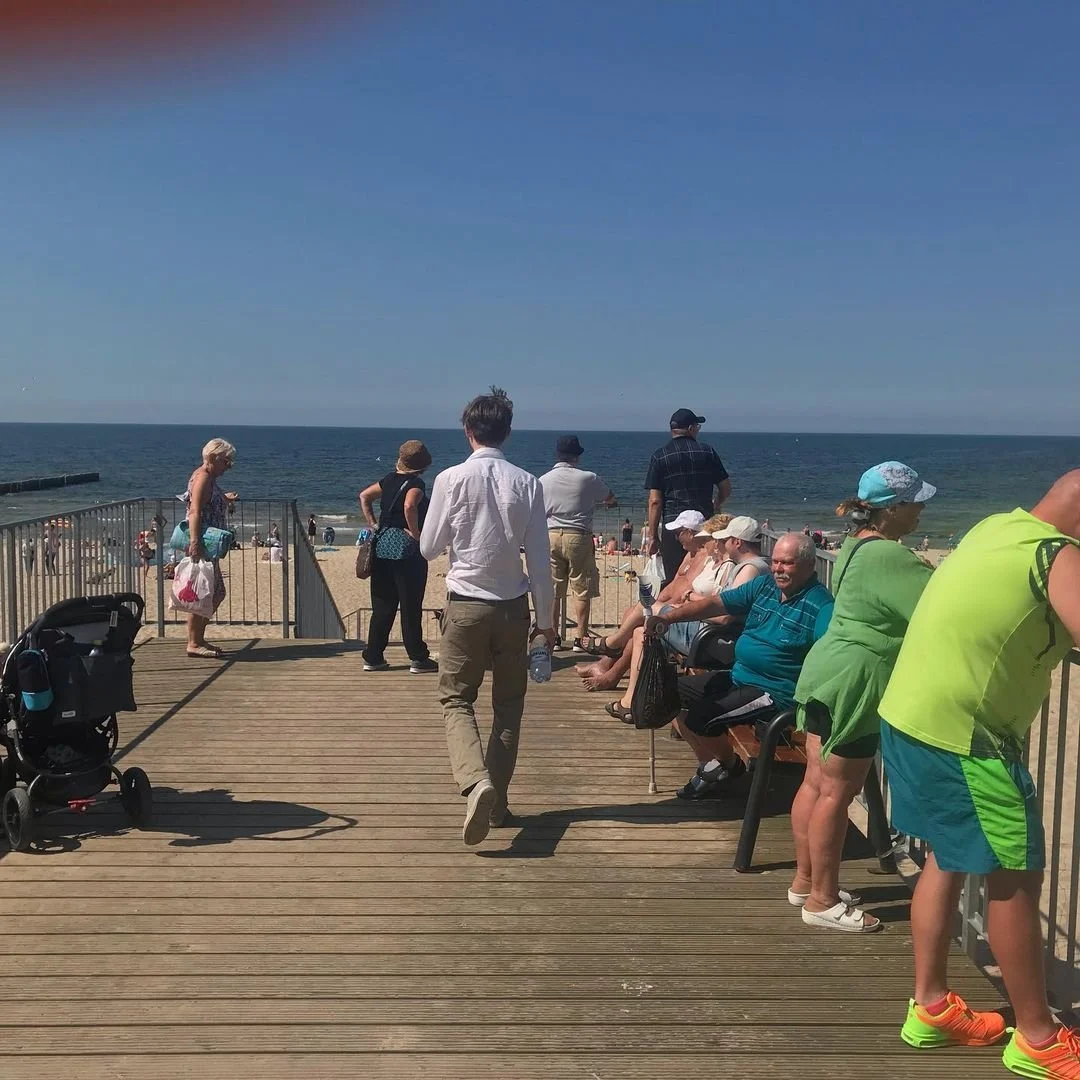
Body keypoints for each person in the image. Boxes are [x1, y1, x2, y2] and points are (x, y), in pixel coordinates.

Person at [877, 472, 1080, 1071]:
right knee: (1013, 873)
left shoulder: (997, 527)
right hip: (967, 740)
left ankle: (931, 1006)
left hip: (910, 716)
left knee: (948, 852)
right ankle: (1038, 1040)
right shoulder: (1055, 554)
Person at [788, 462, 936, 934]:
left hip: (826, 670)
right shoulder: (892, 557)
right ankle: (823, 900)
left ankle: (805, 882)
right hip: (856, 678)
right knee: (837, 790)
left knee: (815, 782)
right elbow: (937, 612)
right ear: (892, 509)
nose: (921, 510)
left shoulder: (854, 546)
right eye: (915, 502)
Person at [420, 388, 555, 847]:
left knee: (456, 700)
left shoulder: (450, 479)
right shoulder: (528, 482)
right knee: (509, 706)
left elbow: (429, 547)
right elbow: (539, 559)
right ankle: (496, 806)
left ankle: (476, 781)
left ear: (468, 430)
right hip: (514, 607)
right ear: (508, 432)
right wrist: (547, 623)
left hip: (465, 606)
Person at [647, 533, 832, 799]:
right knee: (669, 690)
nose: (778, 568)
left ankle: (727, 766)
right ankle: (720, 765)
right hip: (739, 676)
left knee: (702, 718)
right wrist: (669, 618)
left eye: (787, 563)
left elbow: (831, 655)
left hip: (772, 691)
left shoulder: (821, 605)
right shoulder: (765, 586)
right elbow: (715, 604)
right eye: (776, 561)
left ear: (809, 564)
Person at [605, 516, 771, 720]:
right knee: (642, 630)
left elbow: (727, 616)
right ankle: (631, 702)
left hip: (713, 640)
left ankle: (614, 649)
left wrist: (688, 610)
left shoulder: (751, 569)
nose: (722, 544)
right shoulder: (756, 566)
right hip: (713, 635)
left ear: (737, 542)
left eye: (725, 539)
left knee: (646, 612)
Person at [358, 440, 437, 674]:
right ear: (422, 465)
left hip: (382, 546)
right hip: (406, 551)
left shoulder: (388, 480)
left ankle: (373, 656)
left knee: (382, 606)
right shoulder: (416, 483)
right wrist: (416, 533)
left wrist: (373, 524)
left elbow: (364, 496)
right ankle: (418, 657)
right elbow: (410, 505)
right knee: (410, 606)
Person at [538, 435, 617, 650]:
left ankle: (553, 638)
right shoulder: (587, 478)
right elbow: (609, 497)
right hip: (578, 535)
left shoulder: (544, 480)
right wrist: (608, 503)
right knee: (581, 588)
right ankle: (580, 638)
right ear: (577, 456)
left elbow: (537, 510)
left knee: (555, 589)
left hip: (551, 534)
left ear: (557, 455)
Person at [644, 409, 731, 583]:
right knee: (703, 576)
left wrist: (653, 536)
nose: (698, 430)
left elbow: (655, 501)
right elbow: (726, 488)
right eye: (697, 426)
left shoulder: (660, 456)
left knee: (675, 579)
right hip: (704, 526)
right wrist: (716, 503)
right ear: (691, 428)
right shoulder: (708, 452)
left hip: (673, 527)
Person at [182, 438, 238, 659]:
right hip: (203, 543)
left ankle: (198, 639)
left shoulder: (208, 476)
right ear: (214, 458)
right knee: (206, 594)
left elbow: (207, 499)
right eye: (226, 461)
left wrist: (225, 498)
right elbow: (195, 510)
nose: (228, 466)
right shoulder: (203, 477)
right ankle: (194, 642)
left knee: (209, 593)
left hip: (208, 543)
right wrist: (195, 543)